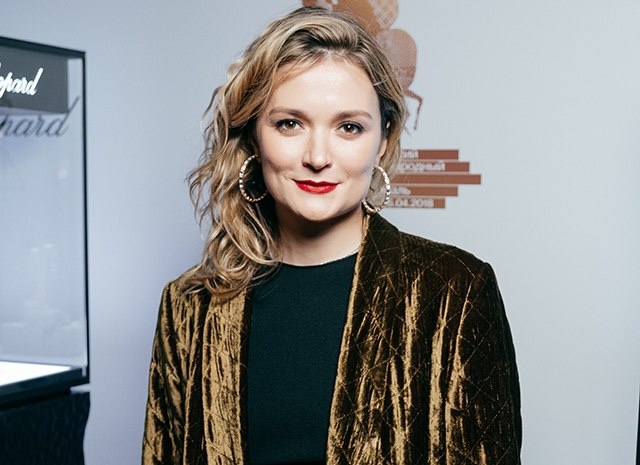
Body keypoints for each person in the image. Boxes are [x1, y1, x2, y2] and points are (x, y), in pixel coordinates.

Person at [142, 6, 521, 465]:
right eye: (290, 123)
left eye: (349, 127)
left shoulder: (453, 291)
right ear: (255, 136)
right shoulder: (189, 306)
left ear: (382, 140)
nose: (318, 157)